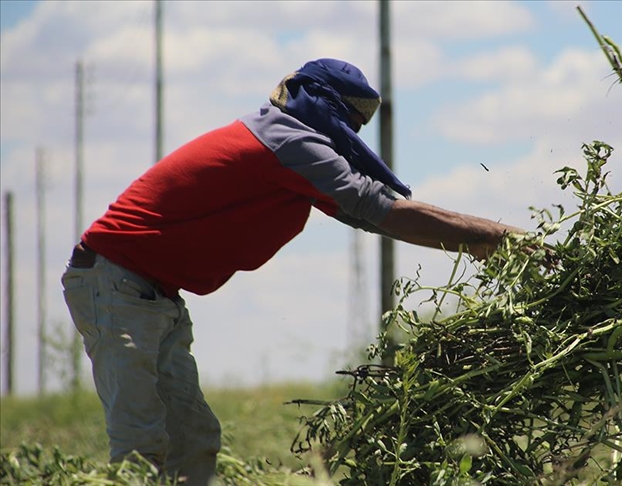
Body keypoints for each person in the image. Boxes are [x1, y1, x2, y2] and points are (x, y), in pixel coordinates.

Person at [61, 58, 521, 485]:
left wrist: (480, 241)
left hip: (151, 294)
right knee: (142, 445)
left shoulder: (293, 146)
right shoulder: (289, 141)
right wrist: (502, 241)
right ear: (327, 109)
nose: (349, 135)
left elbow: (364, 212)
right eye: (349, 122)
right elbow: (377, 206)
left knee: (194, 440)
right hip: (115, 283)